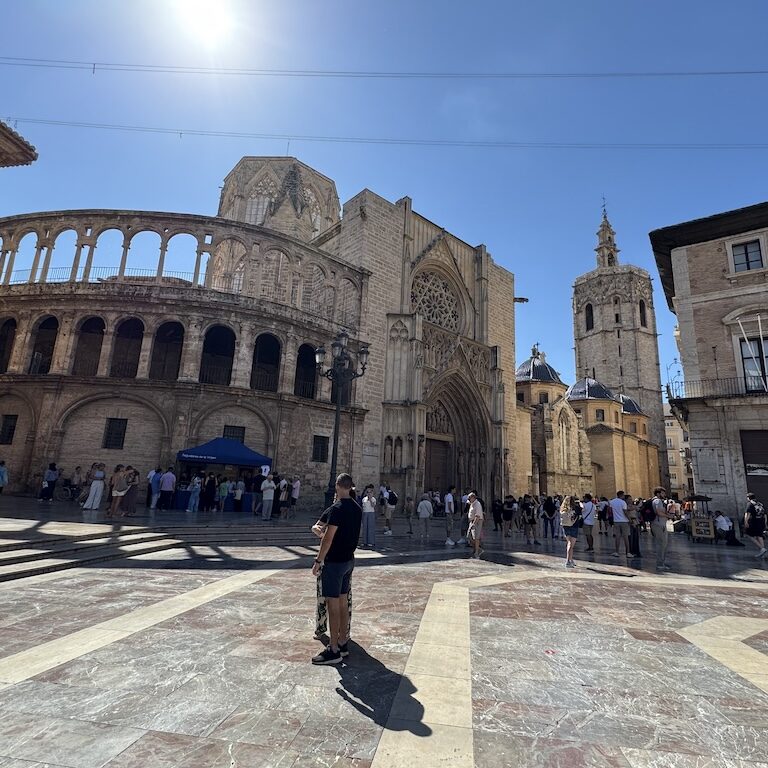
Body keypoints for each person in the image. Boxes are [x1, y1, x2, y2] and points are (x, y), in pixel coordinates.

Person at [311, 473, 362, 665]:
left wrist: (318, 560)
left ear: (338, 486)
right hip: (349, 560)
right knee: (342, 602)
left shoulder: (337, 508)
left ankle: (333, 649)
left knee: (332, 605)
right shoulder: (357, 508)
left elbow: (328, 538)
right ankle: (342, 642)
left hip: (334, 563)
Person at [651, 487, 671, 571]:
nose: (664, 495)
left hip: (660, 524)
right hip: (659, 525)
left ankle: (661, 562)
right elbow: (658, 512)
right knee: (661, 544)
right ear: (658, 493)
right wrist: (668, 516)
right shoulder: (657, 501)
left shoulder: (657, 501)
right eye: (663, 493)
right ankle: (660, 563)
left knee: (663, 544)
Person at [560, 495, 582, 568]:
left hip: (565, 527)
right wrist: (580, 503)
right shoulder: (576, 508)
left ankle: (571, 559)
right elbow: (582, 510)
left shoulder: (563, 509)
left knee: (569, 544)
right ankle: (568, 561)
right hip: (574, 526)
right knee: (570, 545)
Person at [609, 491, 631, 558]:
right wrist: (630, 519)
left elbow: (610, 510)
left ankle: (617, 552)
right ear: (621, 495)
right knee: (626, 537)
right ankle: (628, 552)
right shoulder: (623, 502)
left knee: (617, 537)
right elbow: (625, 512)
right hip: (624, 521)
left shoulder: (612, 502)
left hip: (616, 521)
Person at [744, 492, 766, 558]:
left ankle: (762, 548)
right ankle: (763, 552)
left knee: (748, 534)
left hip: (754, 522)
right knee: (759, 535)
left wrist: (746, 522)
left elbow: (748, 513)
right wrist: (765, 522)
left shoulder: (750, 504)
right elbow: (764, 514)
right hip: (761, 521)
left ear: (748, 498)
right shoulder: (760, 504)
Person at [467, 491, 484, 558]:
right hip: (472, 522)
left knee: (476, 537)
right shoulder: (472, 504)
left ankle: (476, 551)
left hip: (476, 522)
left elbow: (478, 515)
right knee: (469, 536)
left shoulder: (477, 504)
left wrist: (474, 524)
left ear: (473, 498)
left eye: (469, 498)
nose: (468, 499)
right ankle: (478, 549)